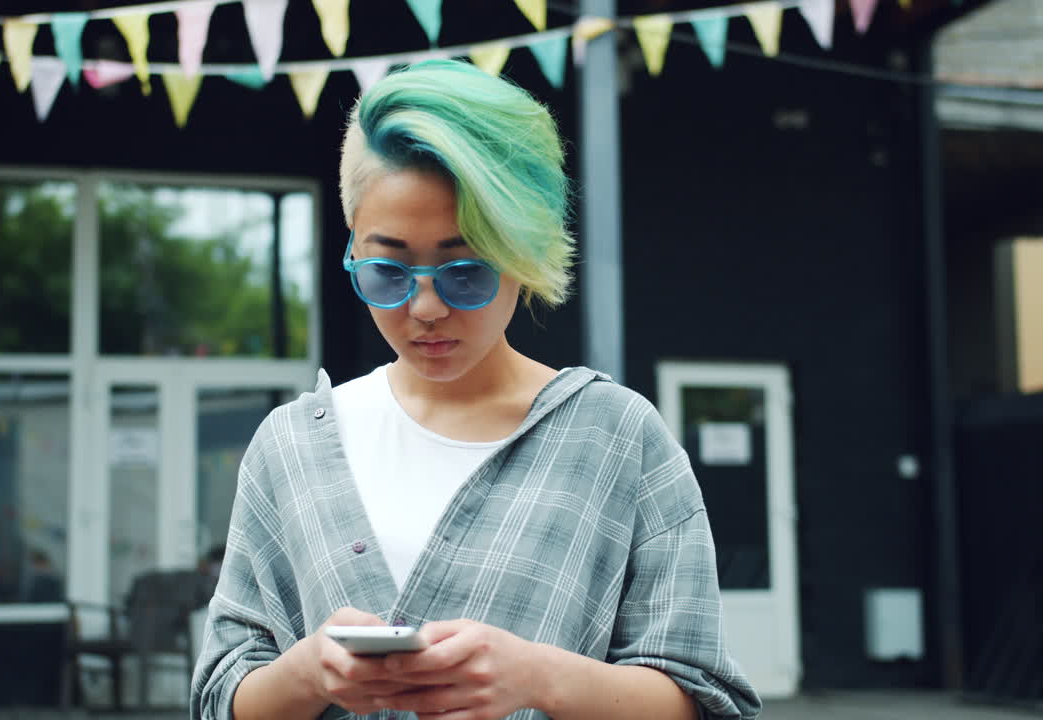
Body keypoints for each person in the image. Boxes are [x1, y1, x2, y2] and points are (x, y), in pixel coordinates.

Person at [191, 59, 761, 720]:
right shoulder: (291, 447)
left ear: (523, 252)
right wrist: (308, 672)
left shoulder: (615, 439)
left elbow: (708, 700)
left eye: (465, 273)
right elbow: (221, 695)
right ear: (351, 251)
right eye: (387, 270)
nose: (426, 306)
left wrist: (540, 677)